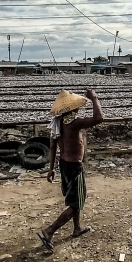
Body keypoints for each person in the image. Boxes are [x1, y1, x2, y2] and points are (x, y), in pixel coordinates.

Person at [37, 89, 104, 252]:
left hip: (64, 165)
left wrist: (51, 169)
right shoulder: (74, 123)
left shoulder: (57, 122)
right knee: (76, 203)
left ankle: (77, 228)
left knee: (75, 198)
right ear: (72, 108)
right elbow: (99, 118)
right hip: (74, 167)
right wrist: (94, 98)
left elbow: (53, 147)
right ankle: (50, 230)